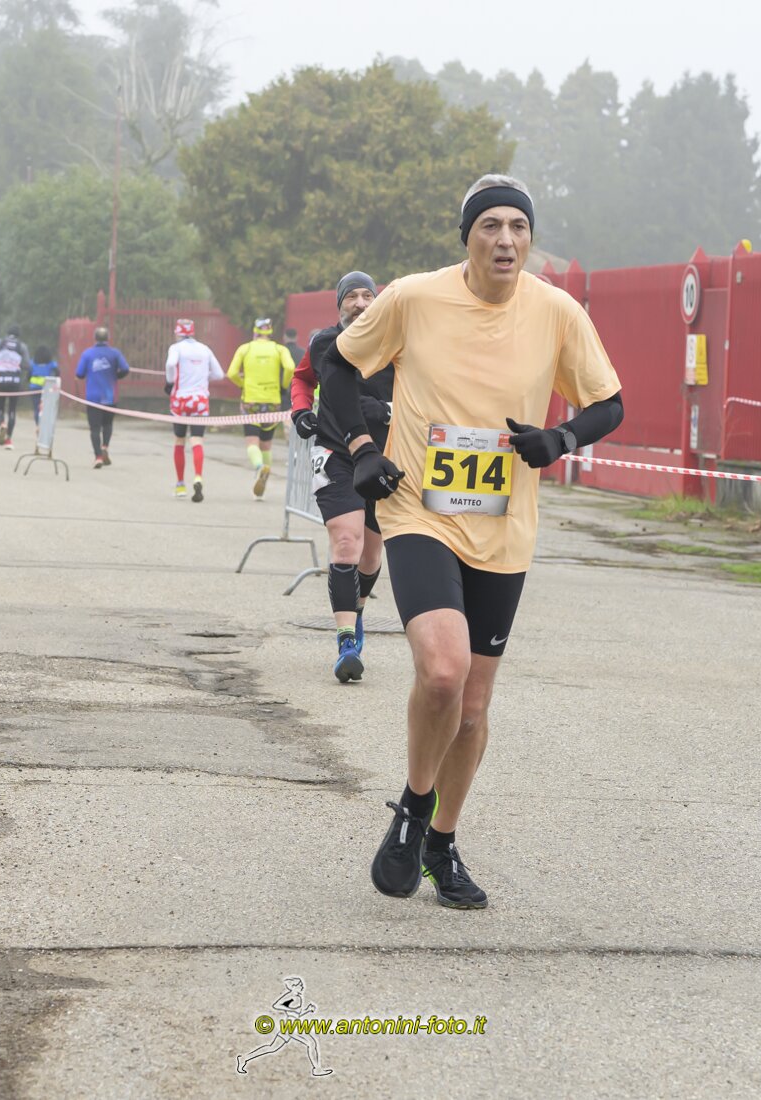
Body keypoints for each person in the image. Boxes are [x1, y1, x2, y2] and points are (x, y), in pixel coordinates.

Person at [316, 174, 624, 909]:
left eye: (519, 226)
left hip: (504, 526)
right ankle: (413, 808)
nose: (506, 239)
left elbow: (608, 402)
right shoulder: (414, 298)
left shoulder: (557, 311)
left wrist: (560, 438)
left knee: (475, 706)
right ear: (467, 237)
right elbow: (337, 364)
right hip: (419, 511)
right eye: (491, 225)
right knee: (443, 673)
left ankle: (440, 841)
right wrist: (362, 448)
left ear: (530, 239)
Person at [292, 271, 391, 683]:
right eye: (352, 296)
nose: (360, 303)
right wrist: (300, 410)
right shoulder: (323, 343)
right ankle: (346, 641)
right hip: (334, 453)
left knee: (371, 554)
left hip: (384, 459)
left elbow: (426, 391)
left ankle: (358, 609)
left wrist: (389, 411)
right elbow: (303, 377)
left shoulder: (395, 344)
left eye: (368, 295)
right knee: (347, 540)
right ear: (340, 305)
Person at [227, 318, 296, 499]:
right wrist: (283, 386)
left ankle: (259, 467)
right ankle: (262, 488)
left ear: (255, 331)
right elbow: (290, 367)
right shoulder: (279, 349)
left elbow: (231, 373)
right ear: (270, 332)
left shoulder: (245, 348)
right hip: (272, 401)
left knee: (252, 442)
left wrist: (242, 384)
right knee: (266, 445)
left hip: (250, 400)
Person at [163, 318, 224, 501]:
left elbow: (170, 364)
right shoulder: (205, 349)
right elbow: (219, 374)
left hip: (181, 401)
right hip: (200, 401)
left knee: (179, 440)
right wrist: (203, 376)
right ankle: (198, 476)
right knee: (197, 440)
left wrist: (170, 380)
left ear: (178, 332)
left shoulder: (176, 348)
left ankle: (180, 484)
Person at [75, 326, 130, 468]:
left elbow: (79, 373)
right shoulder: (115, 353)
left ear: (95, 338)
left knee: (94, 428)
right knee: (108, 424)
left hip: (93, 397)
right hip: (110, 397)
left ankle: (98, 456)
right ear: (107, 338)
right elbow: (125, 369)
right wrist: (116, 376)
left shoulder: (87, 354)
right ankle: (105, 446)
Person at [0, 327, 31, 450]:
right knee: (12, 410)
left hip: (0, 380)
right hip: (14, 381)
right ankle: (8, 439)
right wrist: (17, 366)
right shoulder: (22, 346)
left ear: (7, 333)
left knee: (0, 408)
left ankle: (2, 424)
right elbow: (27, 365)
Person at [29, 345, 59, 426]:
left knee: (37, 408)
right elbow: (57, 373)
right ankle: (45, 425)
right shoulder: (52, 364)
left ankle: (38, 425)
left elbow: (28, 375)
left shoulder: (32, 362)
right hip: (47, 388)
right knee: (46, 408)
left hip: (34, 388)